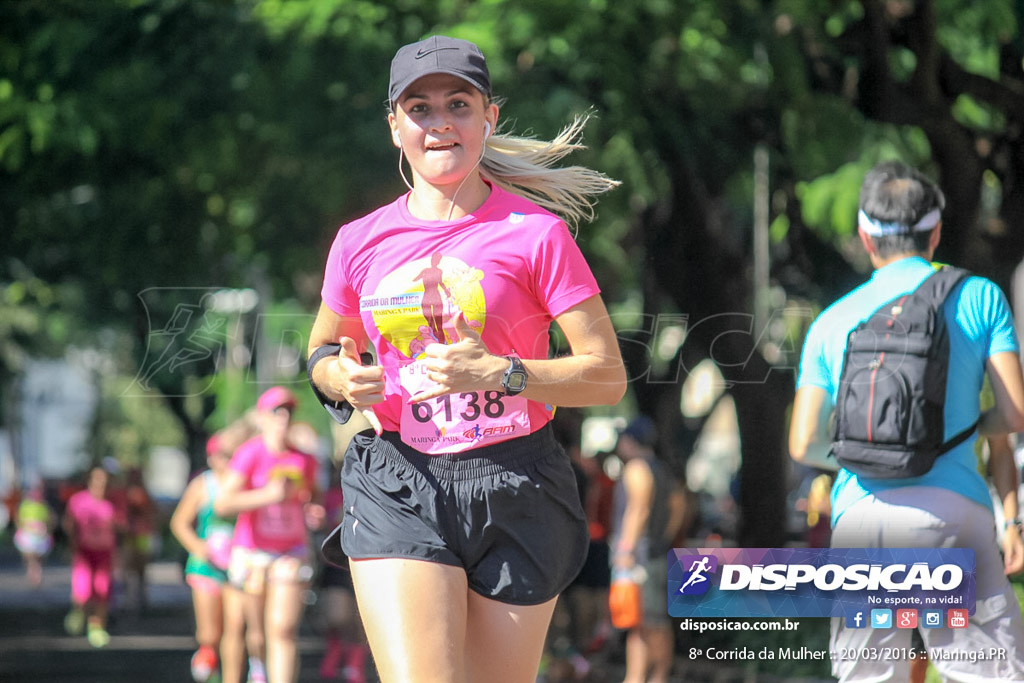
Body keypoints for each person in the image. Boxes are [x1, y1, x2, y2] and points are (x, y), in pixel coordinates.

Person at [306, 34, 626, 683]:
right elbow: (320, 350)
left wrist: (504, 373)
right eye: (419, 108)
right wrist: (340, 377)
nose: (440, 122)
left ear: (489, 118)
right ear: (395, 125)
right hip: (400, 478)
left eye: (458, 103)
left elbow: (607, 374)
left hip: (517, 480)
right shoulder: (358, 242)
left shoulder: (538, 235)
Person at [788, 160, 1024, 681]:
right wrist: (952, 434)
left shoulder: (831, 321)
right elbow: (1014, 413)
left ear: (864, 237)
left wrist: (869, 454)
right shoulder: (979, 296)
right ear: (936, 232)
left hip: (862, 519)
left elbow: (803, 442)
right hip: (952, 513)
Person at [214, 386, 322, 683]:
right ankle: (257, 666)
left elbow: (313, 497)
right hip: (251, 553)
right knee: (257, 633)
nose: (284, 416)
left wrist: (314, 510)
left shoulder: (304, 459)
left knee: (283, 628)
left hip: (291, 552)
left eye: (288, 410)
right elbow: (223, 503)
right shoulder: (250, 454)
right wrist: (267, 496)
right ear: (262, 417)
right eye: (277, 410)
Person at [171, 421, 255, 683]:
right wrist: (198, 548)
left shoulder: (244, 485)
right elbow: (179, 523)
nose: (225, 461)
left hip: (236, 565)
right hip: (205, 566)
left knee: (236, 626)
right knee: (210, 633)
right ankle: (208, 659)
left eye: (231, 456)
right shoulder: (202, 485)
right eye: (221, 456)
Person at [609, 416, 680, 683]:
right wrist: (664, 536)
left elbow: (638, 509)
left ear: (630, 441)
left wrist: (625, 548)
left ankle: (654, 675)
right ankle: (639, 676)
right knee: (642, 623)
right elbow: (678, 505)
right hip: (655, 552)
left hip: (639, 557)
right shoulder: (661, 469)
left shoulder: (637, 467)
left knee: (650, 622)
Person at [63, 465, 120, 648]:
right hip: (84, 552)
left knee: (102, 590)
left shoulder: (112, 504)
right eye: (97, 480)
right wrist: (73, 546)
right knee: (83, 590)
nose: (101, 485)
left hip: (104, 553)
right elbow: (70, 525)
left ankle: (97, 626)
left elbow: (120, 528)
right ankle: (79, 612)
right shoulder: (77, 501)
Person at [123, 466, 159, 610]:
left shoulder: (144, 493)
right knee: (129, 568)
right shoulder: (125, 493)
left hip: (142, 534)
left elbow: (153, 512)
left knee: (141, 568)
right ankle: (130, 598)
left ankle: (141, 596)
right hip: (129, 534)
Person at [13, 481, 54, 587]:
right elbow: (19, 520)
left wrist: (45, 529)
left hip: (41, 537)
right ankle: (33, 572)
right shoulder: (25, 506)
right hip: (29, 536)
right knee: (31, 557)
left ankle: (36, 572)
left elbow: (50, 520)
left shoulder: (44, 506)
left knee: (38, 558)